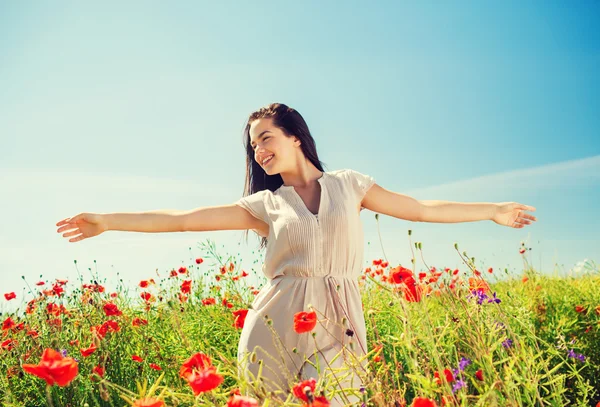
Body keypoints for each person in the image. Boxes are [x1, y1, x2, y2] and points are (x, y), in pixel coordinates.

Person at [56, 103, 537, 406]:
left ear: (295, 137)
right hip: (274, 323)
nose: (259, 150)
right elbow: (182, 219)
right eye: (253, 145)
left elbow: (419, 208)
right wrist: (106, 220)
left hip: (338, 322)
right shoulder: (264, 205)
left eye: (266, 137)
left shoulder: (350, 185)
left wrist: (492, 210)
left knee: (342, 397)